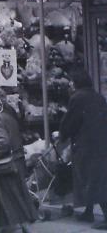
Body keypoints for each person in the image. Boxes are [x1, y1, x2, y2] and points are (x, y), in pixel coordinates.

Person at [0, 87, 36, 233]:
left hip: (5, 167)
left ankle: (14, 227)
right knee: (6, 199)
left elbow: (3, 143)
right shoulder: (9, 116)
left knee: (9, 199)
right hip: (15, 163)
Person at [59, 70, 107, 228]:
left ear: (78, 82)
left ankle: (103, 216)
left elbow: (71, 121)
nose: (70, 85)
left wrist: (62, 135)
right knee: (98, 178)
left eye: (72, 82)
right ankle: (88, 212)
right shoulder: (99, 97)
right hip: (101, 144)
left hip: (86, 145)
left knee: (90, 179)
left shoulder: (77, 98)